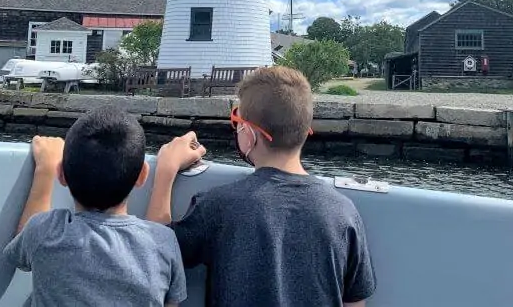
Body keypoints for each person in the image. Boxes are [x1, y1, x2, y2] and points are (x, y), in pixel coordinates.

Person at [146, 65, 377, 307]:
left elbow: (155, 257)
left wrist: (166, 170)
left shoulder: (219, 206)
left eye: (237, 121)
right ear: (305, 131)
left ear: (248, 133)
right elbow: (355, 302)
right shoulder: (344, 211)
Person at [4, 105, 187, 307]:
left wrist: (44, 170)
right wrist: (166, 174)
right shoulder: (164, 241)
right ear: (142, 175)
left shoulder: (44, 230)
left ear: (61, 174)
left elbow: (20, 254)